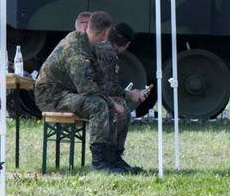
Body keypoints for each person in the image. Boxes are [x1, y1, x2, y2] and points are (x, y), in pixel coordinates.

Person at [35, 11, 129, 174]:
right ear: (106, 32)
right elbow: (85, 88)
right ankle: (98, 163)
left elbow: (99, 81)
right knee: (98, 106)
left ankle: (113, 157)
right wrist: (111, 103)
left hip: (67, 93)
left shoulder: (86, 45)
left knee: (118, 105)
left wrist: (114, 102)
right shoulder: (75, 46)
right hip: (52, 97)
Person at [93, 22, 153, 173]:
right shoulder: (108, 53)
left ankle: (113, 157)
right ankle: (106, 159)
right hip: (90, 97)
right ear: (127, 45)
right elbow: (108, 88)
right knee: (119, 109)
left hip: (89, 94)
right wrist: (130, 95)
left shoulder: (103, 47)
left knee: (119, 105)